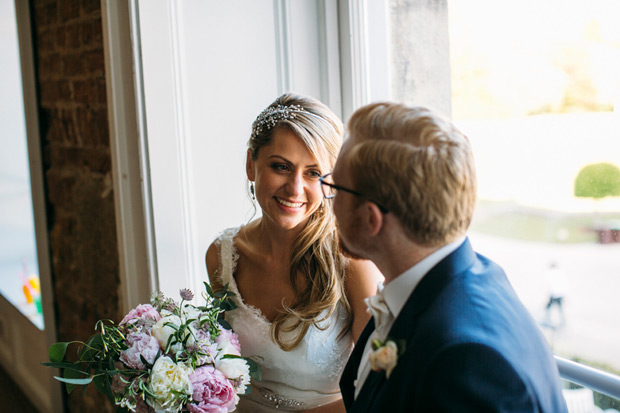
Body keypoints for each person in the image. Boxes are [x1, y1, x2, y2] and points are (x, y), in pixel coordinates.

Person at [323, 102, 567, 412]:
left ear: (372, 220)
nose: (328, 203)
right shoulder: (475, 274)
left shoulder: (465, 363)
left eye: (335, 187)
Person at [206, 93, 382, 412]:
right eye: (281, 166)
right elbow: (222, 368)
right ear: (251, 164)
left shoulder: (353, 260)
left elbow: (377, 389)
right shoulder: (222, 256)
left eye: (313, 173)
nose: (295, 188)